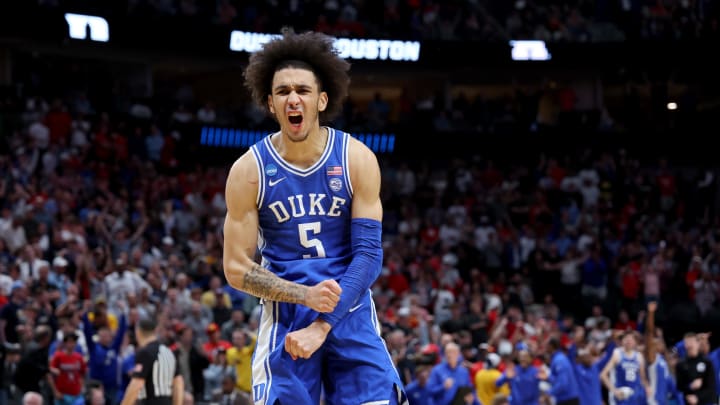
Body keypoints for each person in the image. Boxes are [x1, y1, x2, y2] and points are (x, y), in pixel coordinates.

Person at [222, 29, 405, 404]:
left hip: (349, 308)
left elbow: (369, 256)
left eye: (303, 91)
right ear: (270, 104)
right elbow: (236, 268)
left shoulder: (356, 159)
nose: (293, 99)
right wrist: (305, 296)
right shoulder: (248, 171)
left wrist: (323, 323)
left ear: (321, 100)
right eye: (283, 92)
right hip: (286, 314)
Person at [120, 318, 184, 405]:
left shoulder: (145, 352)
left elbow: (136, 385)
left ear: (138, 332)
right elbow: (178, 383)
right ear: (155, 331)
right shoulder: (169, 352)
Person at [600, 331, 650, 405]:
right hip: (622, 395)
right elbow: (603, 375)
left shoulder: (639, 356)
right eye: (626, 339)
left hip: (636, 395)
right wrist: (614, 390)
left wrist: (647, 387)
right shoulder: (617, 353)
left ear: (635, 342)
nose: (629, 341)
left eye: (631, 339)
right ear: (622, 341)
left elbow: (643, 377)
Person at [675, 333, 716, 405]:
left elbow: (711, 388)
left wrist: (698, 398)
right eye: (687, 343)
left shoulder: (707, 362)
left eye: (692, 342)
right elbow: (679, 388)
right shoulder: (680, 365)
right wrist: (690, 386)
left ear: (697, 344)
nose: (689, 345)